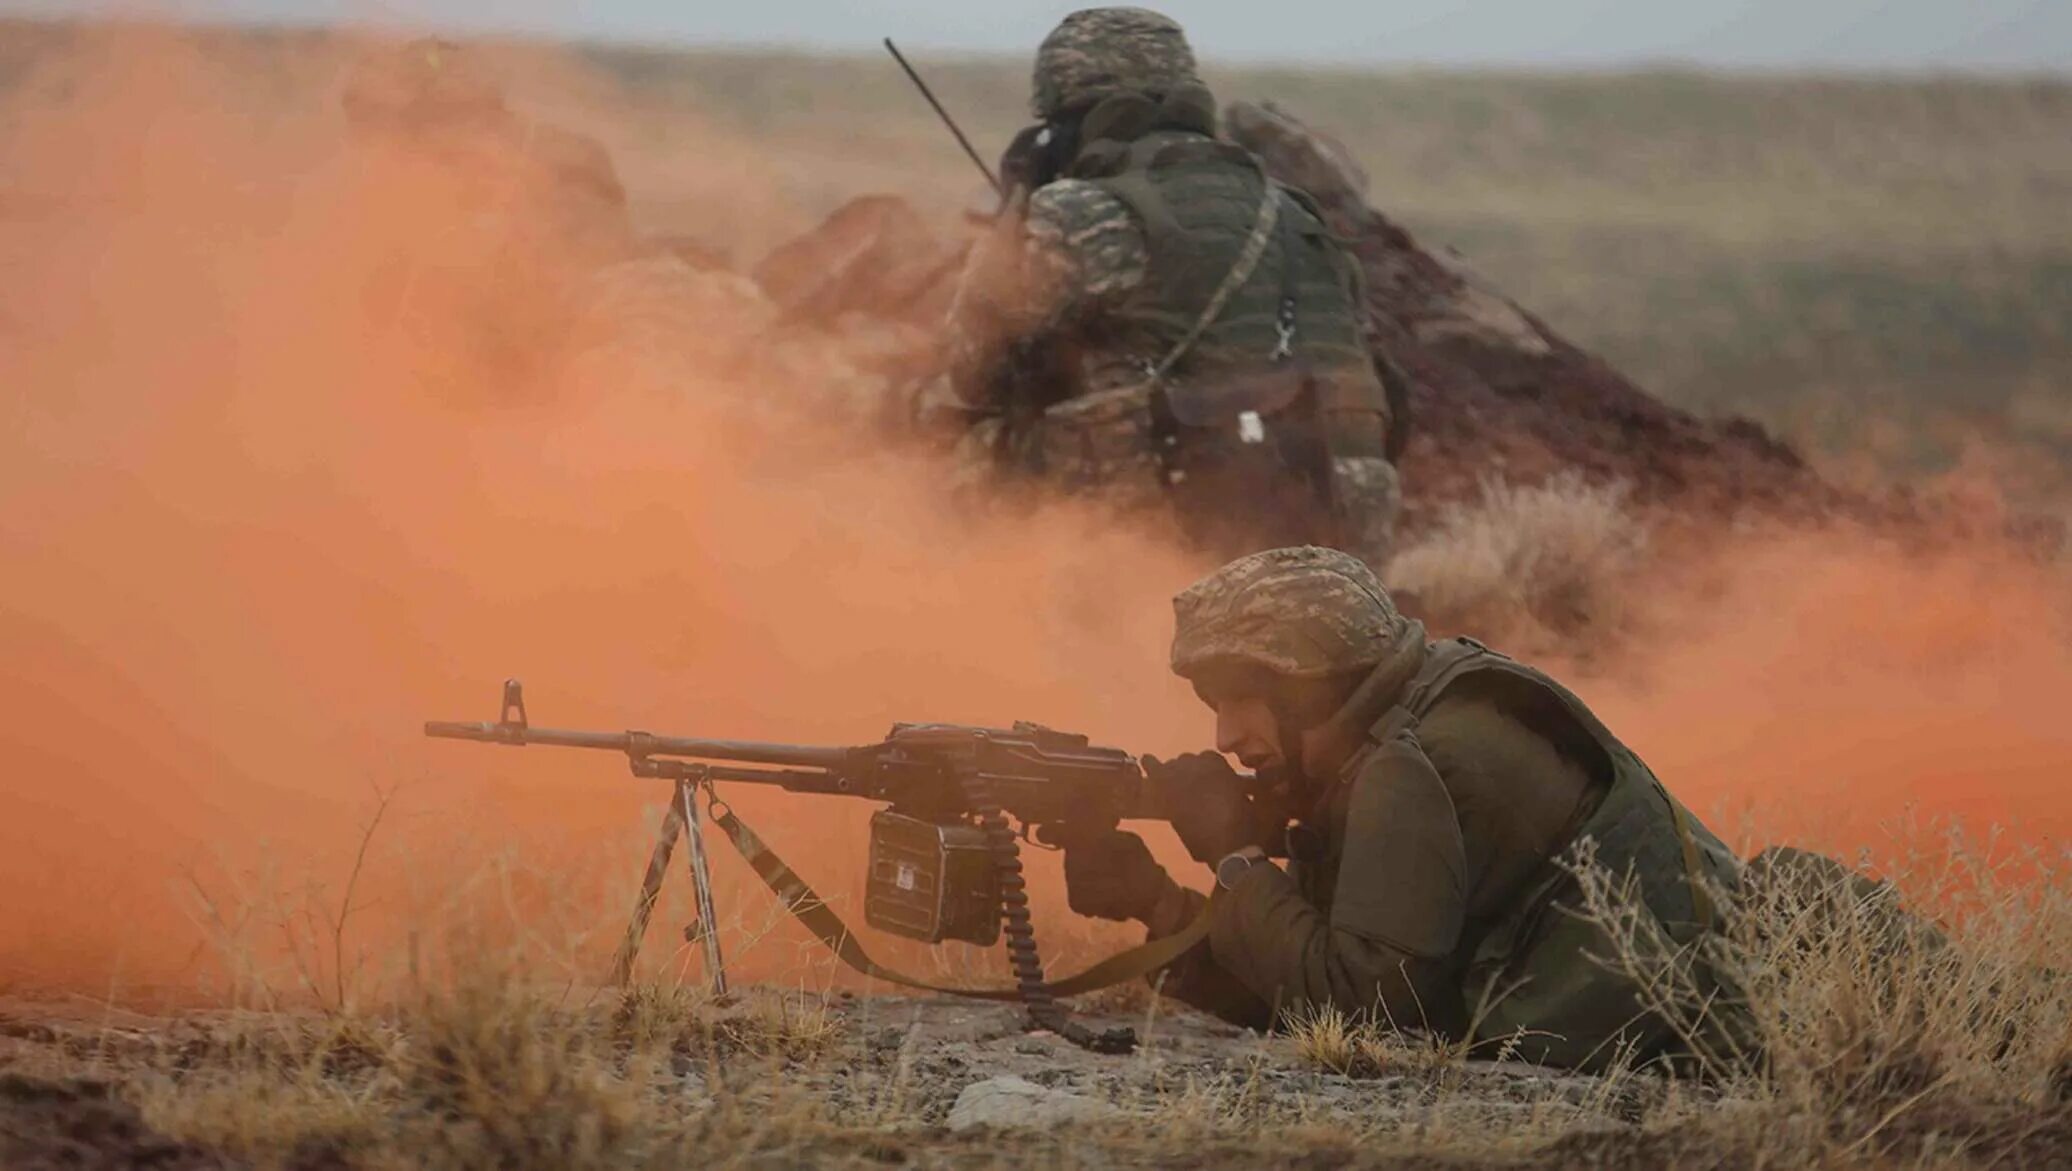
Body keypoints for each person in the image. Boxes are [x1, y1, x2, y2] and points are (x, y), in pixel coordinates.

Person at [1062, 546, 1744, 1072]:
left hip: (1741, 1012)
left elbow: (1364, 1011)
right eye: (1215, 707)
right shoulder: (1394, 730)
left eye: (1244, 699)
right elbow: (1300, 977)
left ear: (1308, 691)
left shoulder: (1403, 767)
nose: (1224, 737)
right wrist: (1160, 907)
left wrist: (1236, 857)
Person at [938, 8, 1406, 569]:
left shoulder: (1081, 212)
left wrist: (1014, 213)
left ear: (1068, 118)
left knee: (981, 441)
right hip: (1341, 549)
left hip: (1159, 546)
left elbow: (972, 370)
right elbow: (1382, 385)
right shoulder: (1295, 213)